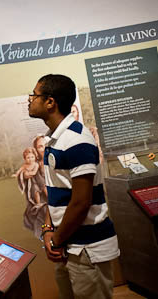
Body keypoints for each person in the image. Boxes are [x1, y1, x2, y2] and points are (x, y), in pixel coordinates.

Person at [28, 74, 119, 299]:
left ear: (50, 102)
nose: (30, 99)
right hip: (68, 245)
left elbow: (81, 202)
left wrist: (56, 240)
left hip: (87, 248)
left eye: (34, 95)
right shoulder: (55, 139)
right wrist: (49, 230)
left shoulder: (77, 140)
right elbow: (58, 194)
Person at [15, 147, 47, 239]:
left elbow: (34, 172)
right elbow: (20, 171)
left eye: (32, 157)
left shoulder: (36, 164)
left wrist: (31, 173)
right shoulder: (26, 166)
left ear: (35, 156)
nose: (30, 159)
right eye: (28, 157)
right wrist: (20, 174)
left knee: (43, 187)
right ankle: (38, 204)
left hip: (40, 182)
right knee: (35, 190)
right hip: (34, 183)